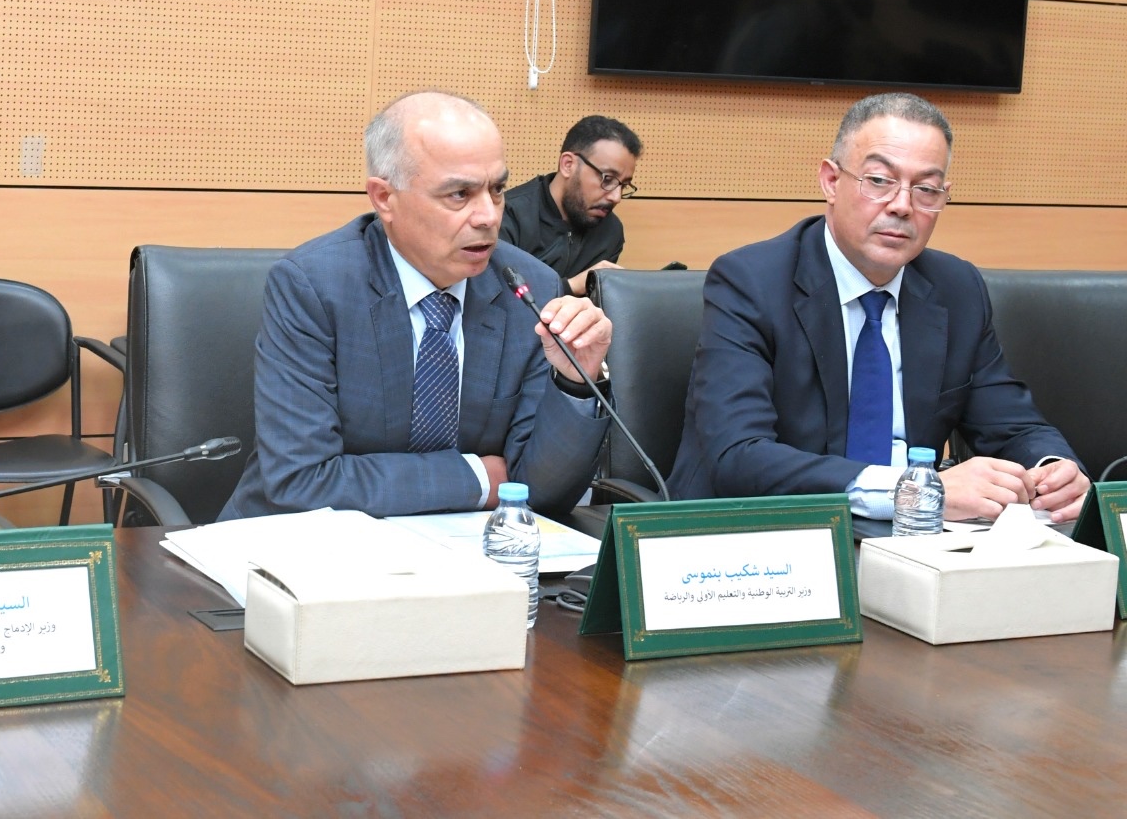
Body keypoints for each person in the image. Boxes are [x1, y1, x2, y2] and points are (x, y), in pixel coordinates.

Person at [670, 92, 1089, 523]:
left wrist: (1052, 469)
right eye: (879, 180)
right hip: (770, 532)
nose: (903, 205)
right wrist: (917, 491)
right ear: (831, 181)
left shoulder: (956, 288)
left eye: (926, 189)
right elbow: (740, 456)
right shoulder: (750, 281)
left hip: (916, 539)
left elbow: (1013, 426)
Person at [220, 91, 612, 521]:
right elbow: (301, 481)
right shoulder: (313, 286)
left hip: (462, 545)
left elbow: (542, 492)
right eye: (459, 194)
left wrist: (575, 382)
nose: (488, 216)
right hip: (299, 542)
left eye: (497, 189)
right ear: (384, 198)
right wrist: (478, 478)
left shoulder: (528, 287)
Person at [500, 115, 641, 296]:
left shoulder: (610, 230)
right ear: (568, 164)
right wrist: (571, 286)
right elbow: (497, 299)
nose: (616, 197)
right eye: (608, 179)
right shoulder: (508, 215)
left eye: (624, 185)